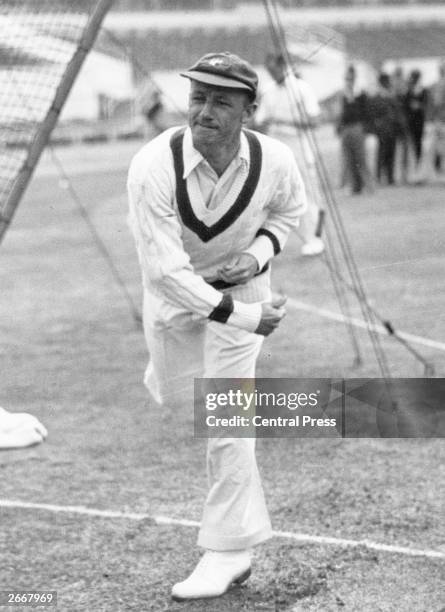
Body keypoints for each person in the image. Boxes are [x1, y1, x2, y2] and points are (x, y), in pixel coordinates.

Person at [127, 52, 306, 601]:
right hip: (178, 302)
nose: (204, 110)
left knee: (226, 416)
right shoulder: (152, 166)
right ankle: (232, 540)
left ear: (249, 110)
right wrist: (250, 317)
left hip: (240, 297)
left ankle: (228, 550)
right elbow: (164, 273)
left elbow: (288, 214)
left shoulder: (276, 159)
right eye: (198, 97)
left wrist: (256, 259)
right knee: (183, 398)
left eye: (221, 101)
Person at [255, 53, 325, 256]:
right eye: (268, 71)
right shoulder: (268, 91)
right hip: (277, 148)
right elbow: (260, 121)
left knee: (308, 195)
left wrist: (283, 121)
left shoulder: (301, 88)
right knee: (270, 197)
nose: (272, 74)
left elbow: (315, 121)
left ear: (283, 66)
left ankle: (315, 238)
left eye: (274, 69)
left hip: (300, 147)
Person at [337, 64, 372, 194]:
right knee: (349, 159)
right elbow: (341, 113)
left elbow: (365, 112)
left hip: (357, 127)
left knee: (361, 158)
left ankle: (368, 185)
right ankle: (354, 186)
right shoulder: (343, 94)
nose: (348, 81)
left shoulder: (360, 94)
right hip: (346, 128)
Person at [368, 72, 398, 185]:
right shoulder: (376, 97)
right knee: (382, 153)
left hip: (391, 128)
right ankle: (379, 177)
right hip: (382, 129)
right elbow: (373, 114)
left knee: (391, 152)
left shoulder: (391, 96)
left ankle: (390, 177)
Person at [404, 69, 428, 180]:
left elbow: (426, 105)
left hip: (419, 123)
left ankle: (418, 173)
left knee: (418, 147)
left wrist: (419, 106)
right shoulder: (409, 91)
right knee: (412, 147)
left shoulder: (423, 91)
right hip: (411, 123)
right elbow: (405, 107)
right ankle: (411, 173)